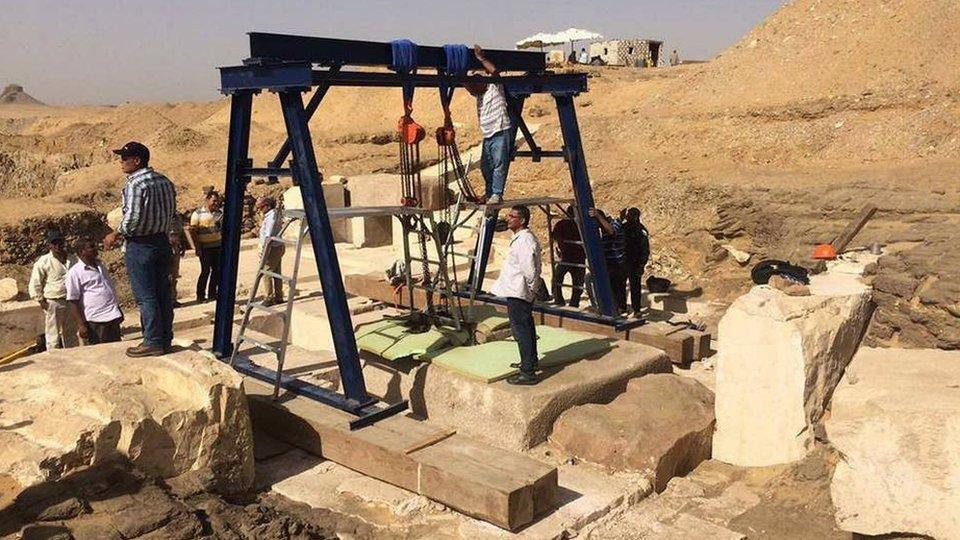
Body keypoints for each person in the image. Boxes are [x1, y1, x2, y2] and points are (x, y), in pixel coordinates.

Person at [103, 141, 176, 358]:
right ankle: (165, 338)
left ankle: (152, 341)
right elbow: (172, 212)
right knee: (163, 292)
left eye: (124, 158)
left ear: (137, 160)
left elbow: (133, 217)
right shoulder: (164, 181)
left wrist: (117, 233)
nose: (121, 162)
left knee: (146, 296)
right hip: (162, 242)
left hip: (141, 245)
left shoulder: (135, 184)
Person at [490, 205, 542, 386]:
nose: (508, 219)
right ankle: (530, 362)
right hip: (517, 290)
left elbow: (529, 268)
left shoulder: (524, 241)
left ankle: (527, 372)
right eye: (509, 215)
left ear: (522, 220)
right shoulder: (520, 238)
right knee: (526, 327)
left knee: (521, 331)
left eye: (512, 216)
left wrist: (531, 287)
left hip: (519, 291)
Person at [464, 45, 513, 206]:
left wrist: (481, 59)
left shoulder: (494, 87)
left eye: (473, 86)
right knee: (486, 166)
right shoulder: (478, 95)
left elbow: (494, 72)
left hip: (500, 130)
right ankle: (489, 192)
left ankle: (497, 194)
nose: (471, 90)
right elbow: (467, 85)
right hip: (488, 135)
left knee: (499, 164)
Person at [66, 238, 123, 344]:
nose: (95, 248)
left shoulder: (100, 266)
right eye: (91, 247)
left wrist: (118, 309)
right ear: (81, 252)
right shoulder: (75, 272)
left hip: (112, 316)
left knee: (116, 352)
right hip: (95, 321)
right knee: (101, 354)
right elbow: (73, 301)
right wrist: (81, 325)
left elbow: (109, 288)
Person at [28, 229, 78, 349]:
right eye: (54, 243)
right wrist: (41, 301)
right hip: (54, 301)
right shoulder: (43, 261)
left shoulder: (73, 259)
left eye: (60, 242)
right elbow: (35, 282)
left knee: (71, 333)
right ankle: (54, 360)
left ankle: (73, 359)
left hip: (71, 300)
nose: (57, 246)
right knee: (53, 335)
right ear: (49, 245)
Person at [587, 208, 627, 313]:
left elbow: (611, 231)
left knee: (617, 287)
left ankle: (619, 309)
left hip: (618, 263)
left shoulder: (615, 223)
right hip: (608, 262)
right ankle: (613, 307)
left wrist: (598, 216)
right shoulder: (602, 229)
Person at [189, 190, 223, 303]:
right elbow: (193, 232)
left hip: (217, 246)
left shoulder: (220, 213)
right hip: (205, 248)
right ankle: (200, 296)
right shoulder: (197, 214)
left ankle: (213, 294)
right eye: (214, 201)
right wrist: (197, 248)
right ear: (207, 200)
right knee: (205, 271)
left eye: (217, 201)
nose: (216, 203)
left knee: (217, 270)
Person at [551, 206, 585, 308]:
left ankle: (560, 300)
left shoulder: (567, 224)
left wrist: (559, 246)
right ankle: (571, 302)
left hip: (571, 257)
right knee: (577, 282)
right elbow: (555, 236)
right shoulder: (578, 224)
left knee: (558, 278)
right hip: (574, 257)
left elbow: (554, 236)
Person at [623, 207, 650, 319]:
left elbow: (645, 250)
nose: (627, 217)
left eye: (629, 215)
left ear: (635, 217)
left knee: (635, 287)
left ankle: (637, 309)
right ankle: (622, 307)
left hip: (635, 264)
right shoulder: (624, 227)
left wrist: (641, 265)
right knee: (620, 286)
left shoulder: (641, 231)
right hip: (623, 262)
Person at [256, 196, 285, 306]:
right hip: (277, 246)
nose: (259, 210)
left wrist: (263, 250)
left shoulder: (272, 216)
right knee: (276, 272)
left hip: (272, 247)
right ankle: (279, 296)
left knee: (266, 271)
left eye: (261, 207)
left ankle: (269, 297)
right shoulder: (272, 214)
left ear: (267, 206)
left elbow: (268, 235)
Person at [167, 213, 186, 308]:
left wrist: (182, 245)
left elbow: (181, 233)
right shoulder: (163, 215)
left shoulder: (178, 217)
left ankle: (173, 299)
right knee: (167, 276)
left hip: (176, 248)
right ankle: (167, 299)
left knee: (174, 275)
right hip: (166, 248)